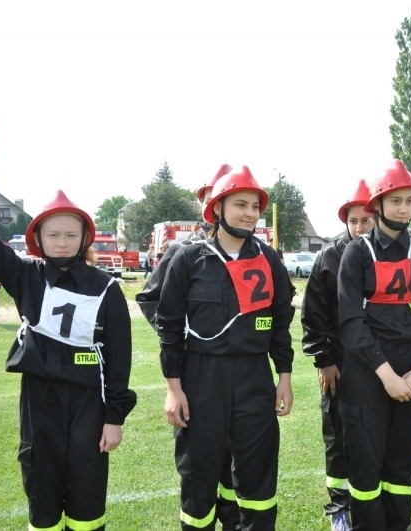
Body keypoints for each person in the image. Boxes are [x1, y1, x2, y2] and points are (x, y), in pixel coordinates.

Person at [0, 116, 137, 531]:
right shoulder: (26, 276)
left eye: (70, 235)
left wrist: (114, 418)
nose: (62, 242)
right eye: (53, 235)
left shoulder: (106, 287)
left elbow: (119, 357)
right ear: (39, 238)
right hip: (39, 400)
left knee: (87, 496)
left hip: (89, 404)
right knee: (41, 495)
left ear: (84, 239)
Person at [157, 166, 294, 530]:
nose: (250, 213)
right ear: (217, 208)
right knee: (198, 473)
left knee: (258, 475)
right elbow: (169, 327)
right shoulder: (188, 259)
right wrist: (174, 390)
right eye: (240, 205)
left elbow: (281, 323)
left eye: (255, 206)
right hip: (202, 376)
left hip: (254, 378)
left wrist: (284, 377)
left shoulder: (268, 259)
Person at [337, 160, 411, 530]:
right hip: (368, 371)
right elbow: (351, 323)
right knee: (367, 460)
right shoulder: (357, 253)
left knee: (402, 460)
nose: (403, 208)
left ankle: (398, 524)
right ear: (378, 206)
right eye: (395, 200)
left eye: (409, 201)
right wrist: (385, 374)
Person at [136, 163, 241, 531]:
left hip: (240, 378)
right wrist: (181, 337)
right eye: (211, 197)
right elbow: (150, 299)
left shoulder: (252, 251)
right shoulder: (184, 249)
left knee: (236, 463)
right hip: (198, 372)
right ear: (205, 205)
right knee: (199, 463)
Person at [301, 178, 374, 531]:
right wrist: (325, 361)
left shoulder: (390, 254)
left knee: (373, 436)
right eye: (354, 220)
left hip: (380, 362)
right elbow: (313, 313)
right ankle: (339, 506)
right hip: (341, 362)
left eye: (367, 220)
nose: (360, 227)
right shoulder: (330, 255)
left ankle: (369, 504)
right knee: (339, 435)